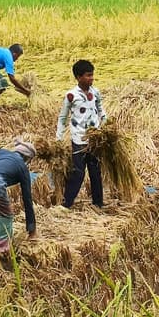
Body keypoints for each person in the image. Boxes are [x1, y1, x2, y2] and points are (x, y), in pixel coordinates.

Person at [55, 59, 105, 209]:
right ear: (78, 77)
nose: (91, 78)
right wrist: (59, 137)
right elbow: (63, 117)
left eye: (92, 75)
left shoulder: (95, 92)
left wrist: (105, 124)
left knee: (95, 172)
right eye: (88, 75)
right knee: (78, 173)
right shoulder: (71, 95)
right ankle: (66, 203)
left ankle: (98, 203)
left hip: (95, 138)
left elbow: (101, 109)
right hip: (79, 138)